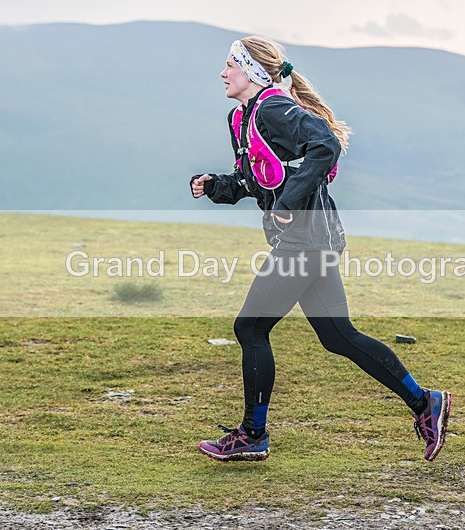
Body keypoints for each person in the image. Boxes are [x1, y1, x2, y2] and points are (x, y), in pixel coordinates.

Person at [190, 36, 451, 463]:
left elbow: (324, 145)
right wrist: (216, 185)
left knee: (250, 328)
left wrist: (290, 202)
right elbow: (254, 178)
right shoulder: (243, 117)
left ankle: (254, 434)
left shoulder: (274, 108)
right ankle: (426, 404)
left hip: (306, 241)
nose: (223, 73)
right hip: (314, 238)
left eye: (230, 66)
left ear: (252, 71)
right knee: (338, 336)